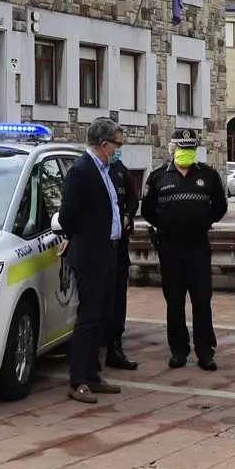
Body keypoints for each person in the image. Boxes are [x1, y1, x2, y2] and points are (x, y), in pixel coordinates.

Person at [141, 129, 228, 371]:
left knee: (202, 300)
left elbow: (219, 207)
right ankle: (178, 350)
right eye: (182, 149)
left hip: (198, 246)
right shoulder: (158, 177)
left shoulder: (208, 176)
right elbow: (147, 211)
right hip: (170, 247)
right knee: (174, 301)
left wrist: (202, 222)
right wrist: (167, 225)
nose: (186, 153)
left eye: (190, 149)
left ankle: (205, 351)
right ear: (172, 150)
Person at [57, 117, 124, 404]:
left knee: (102, 317)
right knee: (87, 318)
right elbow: (66, 215)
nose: (119, 149)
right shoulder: (82, 171)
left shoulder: (105, 169)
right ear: (105, 144)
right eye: (118, 144)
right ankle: (77, 380)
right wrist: (77, 235)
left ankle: (93, 375)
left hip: (107, 252)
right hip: (89, 254)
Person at [103, 157, 139, 370]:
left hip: (119, 246)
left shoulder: (120, 170)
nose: (118, 149)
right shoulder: (89, 170)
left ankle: (115, 346)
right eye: (115, 144)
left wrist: (127, 216)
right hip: (97, 246)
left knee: (118, 297)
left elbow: (132, 201)